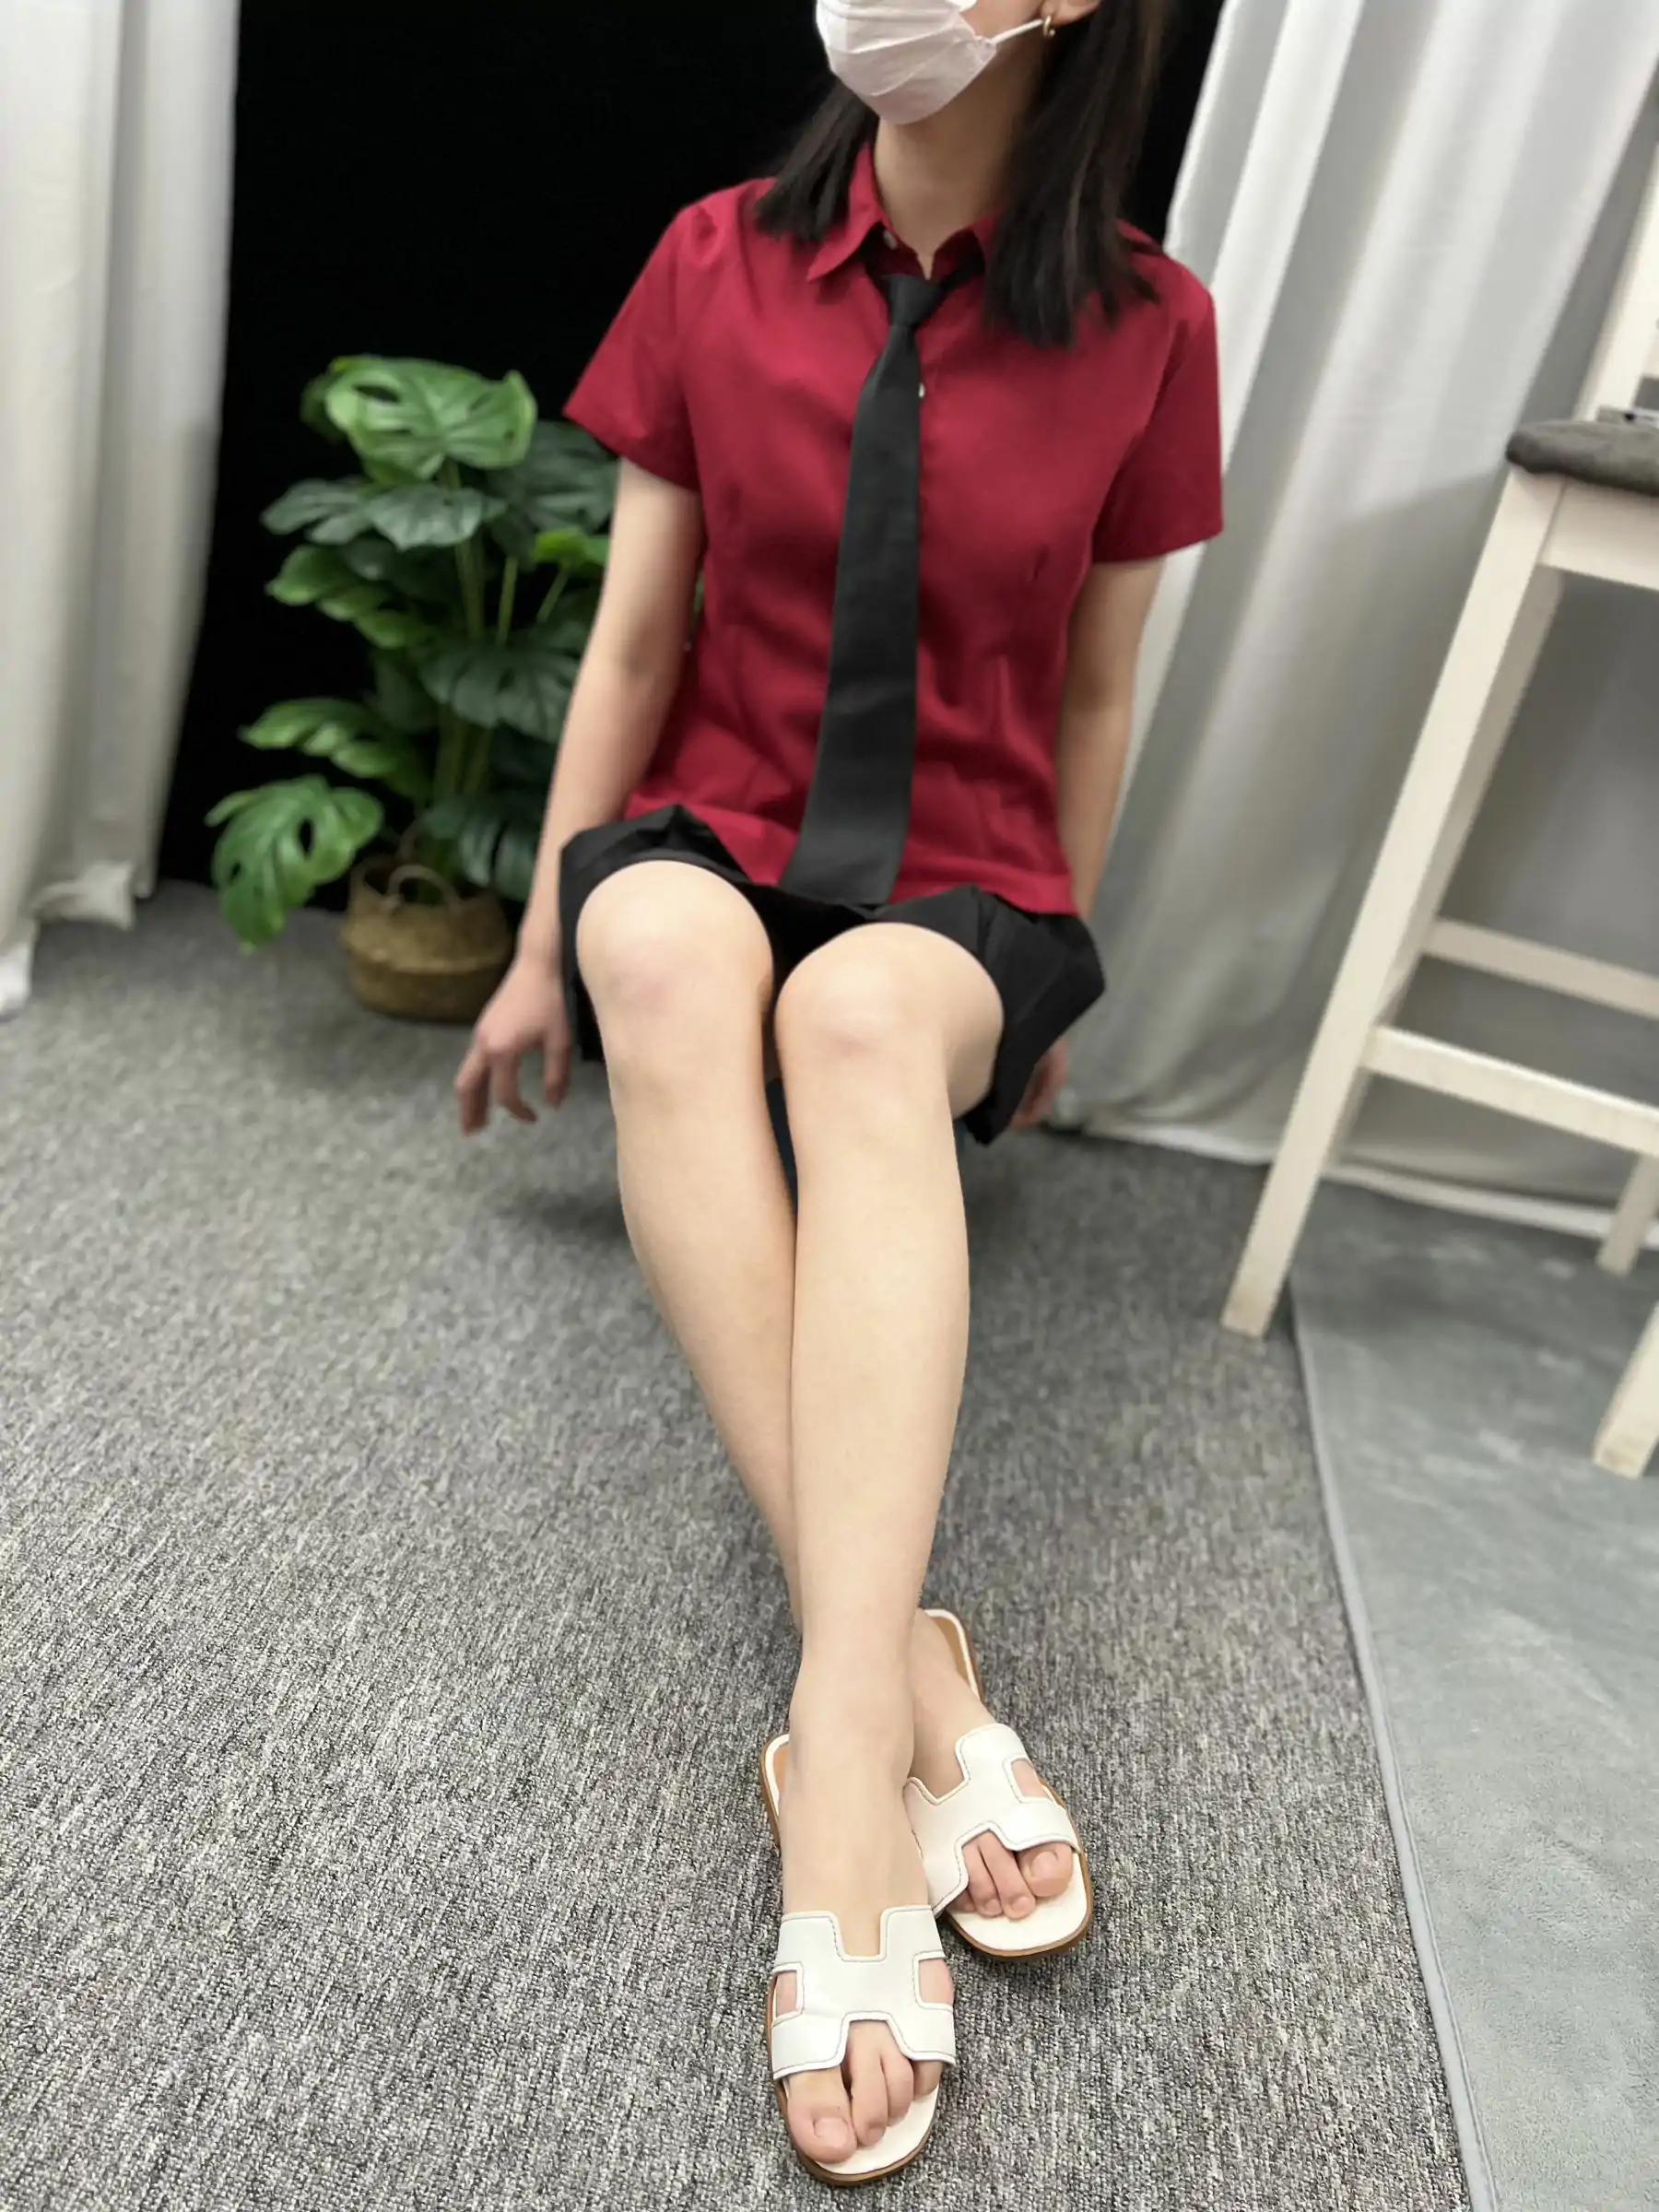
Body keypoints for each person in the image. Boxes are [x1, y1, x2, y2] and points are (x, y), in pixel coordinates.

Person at [455, 0, 1222, 2183]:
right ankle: (903, 1698)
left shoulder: (1154, 327)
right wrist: (538, 946)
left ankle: (840, 1745)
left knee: (864, 1023)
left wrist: (1049, 977)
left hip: (966, 872)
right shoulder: (713, 257)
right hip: (722, 819)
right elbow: (633, 641)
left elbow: (1096, 689)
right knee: (658, 951)